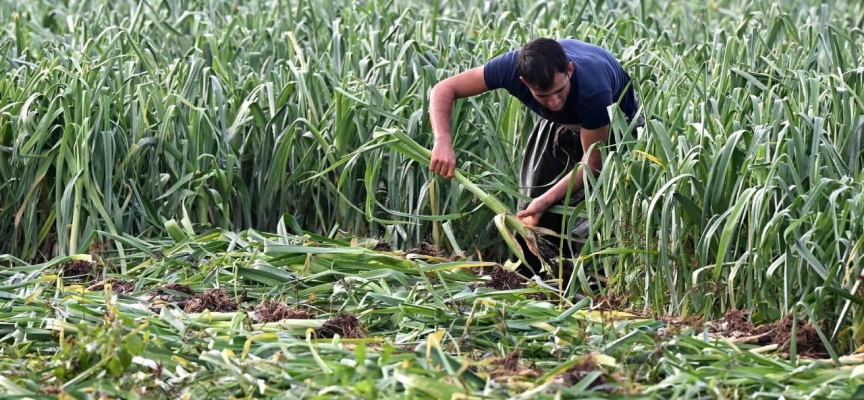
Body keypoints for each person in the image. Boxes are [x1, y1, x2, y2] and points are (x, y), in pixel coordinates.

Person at [428, 37, 643, 276]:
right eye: (542, 96)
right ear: (523, 82)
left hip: (614, 130)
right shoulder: (510, 68)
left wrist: (545, 200)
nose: (554, 102)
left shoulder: (593, 91)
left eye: (559, 91)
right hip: (561, 125)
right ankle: (532, 276)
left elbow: (592, 164)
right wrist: (442, 141)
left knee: (590, 218)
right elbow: (445, 88)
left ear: (569, 70)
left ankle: (589, 281)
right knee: (530, 210)